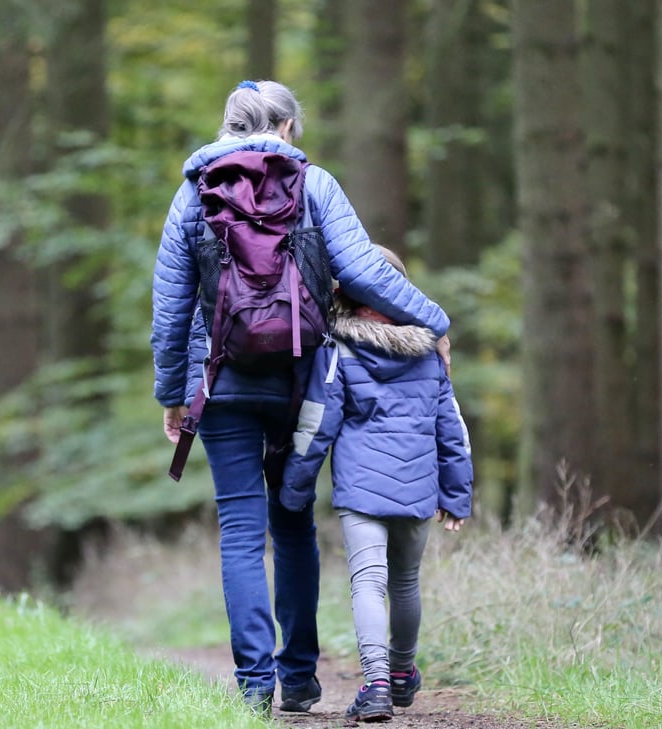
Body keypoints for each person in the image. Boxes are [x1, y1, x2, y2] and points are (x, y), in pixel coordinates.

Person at [150, 79, 452, 716]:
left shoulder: (192, 194)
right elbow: (366, 271)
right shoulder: (315, 184)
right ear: (287, 127)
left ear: (228, 126)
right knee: (292, 523)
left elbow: (171, 308)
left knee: (239, 529)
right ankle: (301, 678)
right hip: (301, 380)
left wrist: (173, 394)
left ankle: (255, 686)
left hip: (222, 380)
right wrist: (434, 321)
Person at [280, 246, 473, 722]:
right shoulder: (430, 352)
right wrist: (457, 493)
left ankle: (378, 684)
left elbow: (316, 423)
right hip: (418, 486)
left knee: (368, 583)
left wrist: (294, 488)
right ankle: (404, 673)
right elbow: (453, 429)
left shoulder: (338, 349)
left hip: (362, 491)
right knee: (405, 582)